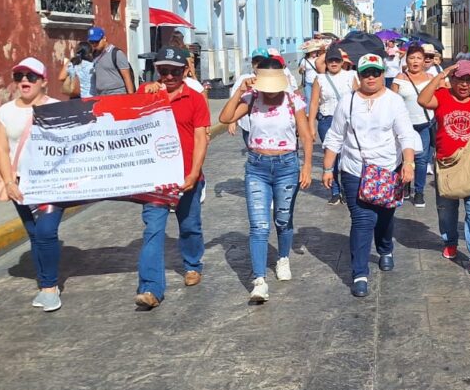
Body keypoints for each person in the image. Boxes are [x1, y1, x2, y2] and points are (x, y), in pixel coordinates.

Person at [322, 54, 421, 297]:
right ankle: (359, 273)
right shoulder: (348, 101)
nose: (371, 77)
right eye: (366, 72)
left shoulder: (394, 101)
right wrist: (327, 168)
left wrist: (408, 163)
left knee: (385, 216)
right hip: (355, 169)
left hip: (388, 168)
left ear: (382, 74)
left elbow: (405, 135)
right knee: (363, 220)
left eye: (376, 72)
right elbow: (335, 136)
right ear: (359, 74)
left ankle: (385, 248)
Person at [219, 59, 314, 302]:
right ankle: (259, 280)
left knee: (283, 220)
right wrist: (240, 91)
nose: (270, 91)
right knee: (259, 226)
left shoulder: (294, 100)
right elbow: (225, 117)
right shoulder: (251, 99)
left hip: (286, 166)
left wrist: (306, 167)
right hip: (257, 168)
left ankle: (283, 258)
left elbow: (305, 135)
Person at [133, 46, 211, 309]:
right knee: (153, 230)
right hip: (155, 179)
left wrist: (194, 172)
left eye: (174, 71)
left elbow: (201, 137)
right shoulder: (146, 95)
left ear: (185, 71)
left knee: (189, 227)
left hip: (187, 176)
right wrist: (145, 95)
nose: (168, 77)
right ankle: (151, 289)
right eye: (163, 71)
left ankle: (192, 264)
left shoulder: (195, 98)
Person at [417, 60, 470, 274]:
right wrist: (441, 75)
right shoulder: (443, 96)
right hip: (446, 163)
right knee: (447, 209)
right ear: (452, 80)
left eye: (469, 80)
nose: (464, 84)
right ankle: (450, 241)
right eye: (460, 79)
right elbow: (423, 99)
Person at [0, 57, 62, 312]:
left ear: (43, 81)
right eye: (19, 76)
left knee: (46, 231)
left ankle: (49, 287)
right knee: (34, 234)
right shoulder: (5, 112)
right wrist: (9, 182)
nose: (24, 81)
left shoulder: (57, 108)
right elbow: (1, 148)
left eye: (31, 77)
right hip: (19, 183)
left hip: (50, 183)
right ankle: (45, 280)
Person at [308, 47, 358, 205]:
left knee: (348, 154)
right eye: (331, 60)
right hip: (327, 120)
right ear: (326, 62)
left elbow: (358, 98)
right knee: (331, 156)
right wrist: (311, 125)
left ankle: (349, 188)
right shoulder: (320, 78)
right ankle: (335, 191)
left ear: (343, 62)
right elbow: (314, 102)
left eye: (337, 60)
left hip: (348, 121)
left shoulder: (351, 76)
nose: (334, 63)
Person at [391, 45, 434, 207]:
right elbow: (391, 101)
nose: (415, 61)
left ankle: (419, 192)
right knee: (403, 158)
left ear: (424, 61)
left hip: (424, 124)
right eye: (412, 58)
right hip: (404, 126)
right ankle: (405, 186)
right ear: (406, 59)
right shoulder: (399, 78)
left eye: (418, 58)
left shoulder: (431, 77)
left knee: (421, 160)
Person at [88, 27, 135, 96]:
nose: (94, 44)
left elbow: (127, 77)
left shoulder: (117, 53)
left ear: (104, 38)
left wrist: (131, 97)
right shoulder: (94, 55)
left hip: (117, 93)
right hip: (101, 95)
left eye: (96, 41)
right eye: (92, 42)